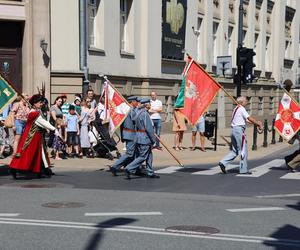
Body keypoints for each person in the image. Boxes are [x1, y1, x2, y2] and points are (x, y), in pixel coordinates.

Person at [9, 94, 58, 179]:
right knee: (26, 153)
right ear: (34, 103)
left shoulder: (36, 111)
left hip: (37, 136)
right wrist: (54, 129)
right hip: (31, 136)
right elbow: (43, 122)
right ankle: (14, 168)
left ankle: (41, 170)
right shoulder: (34, 113)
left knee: (39, 153)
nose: (41, 104)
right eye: (40, 102)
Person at [219, 96, 263, 174]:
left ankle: (223, 162)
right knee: (243, 150)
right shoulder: (241, 108)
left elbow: (246, 120)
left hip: (234, 130)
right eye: (246, 101)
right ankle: (243, 170)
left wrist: (256, 123)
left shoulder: (236, 108)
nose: (247, 102)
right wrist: (258, 123)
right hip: (239, 130)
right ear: (242, 102)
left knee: (235, 150)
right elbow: (249, 118)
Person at [125, 98, 160, 179]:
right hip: (145, 138)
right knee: (143, 156)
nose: (150, 105)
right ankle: (129, 168)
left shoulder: (138, 112)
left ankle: (150, 172)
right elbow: (149, 128)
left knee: (149, 155)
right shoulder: (145, 114)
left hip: (139, 137)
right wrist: (153, 139)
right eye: (149, 104)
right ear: (146, 105)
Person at [110, 96, 138, 176]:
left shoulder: (125, 110)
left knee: (132, 152)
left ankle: (131, 168)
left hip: (127, 134)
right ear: (132, 102)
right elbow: (136, 119)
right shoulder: (130, 110)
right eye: (136, 101)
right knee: (129, 153)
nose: (137, 103)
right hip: (131, 134)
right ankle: (115, 166)